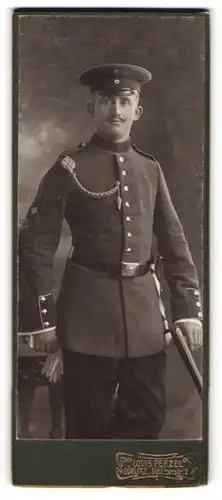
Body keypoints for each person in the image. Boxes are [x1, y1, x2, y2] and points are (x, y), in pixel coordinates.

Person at [19, 63, 203, 439]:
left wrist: (188, 311)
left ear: (137, 111)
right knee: (88, 428)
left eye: (125, 101)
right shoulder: (69, 167)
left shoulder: (150, 169)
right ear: (92, 108)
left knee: (148, 419)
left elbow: (174, 242)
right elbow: (35, 245)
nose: (116, 110)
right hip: (87, 319)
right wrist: (43, 320)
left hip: (145, 321)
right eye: (106, 101)